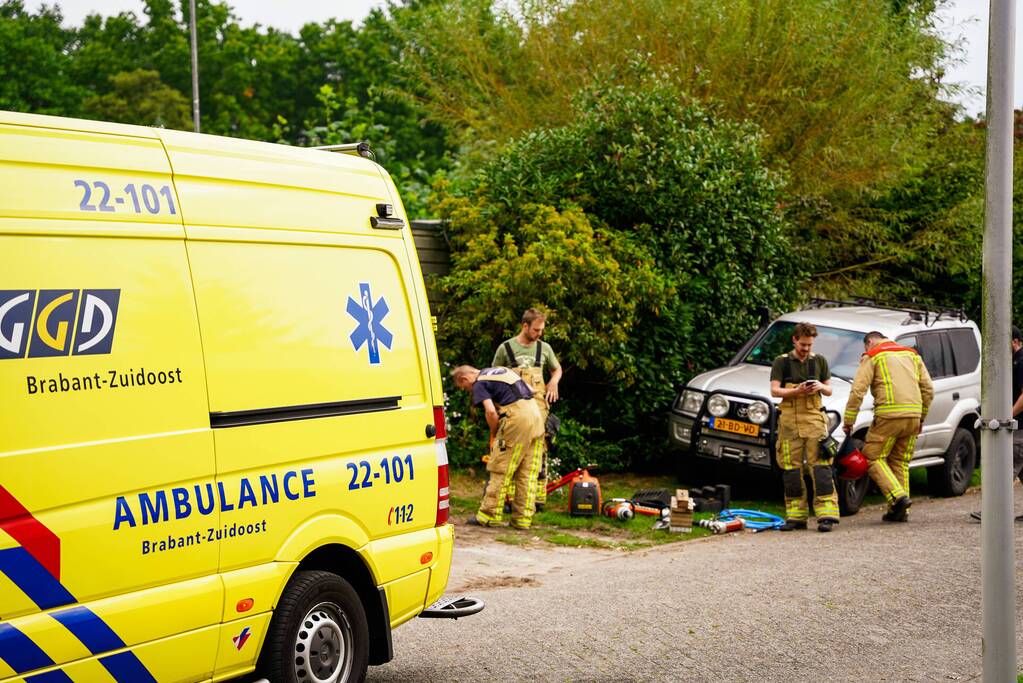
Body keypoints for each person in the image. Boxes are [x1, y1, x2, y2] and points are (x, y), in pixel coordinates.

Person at [843, 331, 934, 522]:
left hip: (888, 416)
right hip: (913, 416)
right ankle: (900, 512)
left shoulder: (873, 355)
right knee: (899, 461)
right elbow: (928, 389)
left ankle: (898, 497)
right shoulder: (912, 354)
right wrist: (921, 417)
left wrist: (849, 421)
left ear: (869, 343)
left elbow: (858, 390)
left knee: (872, 457)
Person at [452, 365, 545, 529]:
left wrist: (495, 432)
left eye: (465, 388)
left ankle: (488, 516)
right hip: (536, 415)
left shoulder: (479, 382)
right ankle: (522, 520)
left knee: (501, 468)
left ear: (465, 379)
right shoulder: (501, 370)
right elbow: (530, 389)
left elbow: (490, 412)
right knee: (528, 472)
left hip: (517, 419)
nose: (468, 391)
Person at [770, 322, 840, 532]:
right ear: (794, 340)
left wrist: (821, 386)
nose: (806, 349)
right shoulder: (781, 362)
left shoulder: (819, 361)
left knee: (821, 467)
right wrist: (797, 391)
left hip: (814, 420)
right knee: (790, 468)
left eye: (809, 345)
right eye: (803, 345)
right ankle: (796, 516)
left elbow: (829, 390)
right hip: (789, 422)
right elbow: (775, 391)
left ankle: (826, 515)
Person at [492, 308, 562, 509]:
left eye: (541, 330)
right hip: (513, 408)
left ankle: (535, 500)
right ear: (525, 326)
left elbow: (556, 369)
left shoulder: (544, 348)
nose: (539, 334)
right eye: (536, 330)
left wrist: (554, 382)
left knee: (538, 452)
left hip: (539, 408)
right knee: (512, 451)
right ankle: (508, 500)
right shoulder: (505, 349)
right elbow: (494, 375)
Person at [970, 325, 1023, 522]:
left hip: (1019, 427)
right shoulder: (1014, 362)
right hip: (1019, 425)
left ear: (1015, 341)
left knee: (1005, 467)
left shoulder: (1021, 361)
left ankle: (992, 512)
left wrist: (1007, 416)